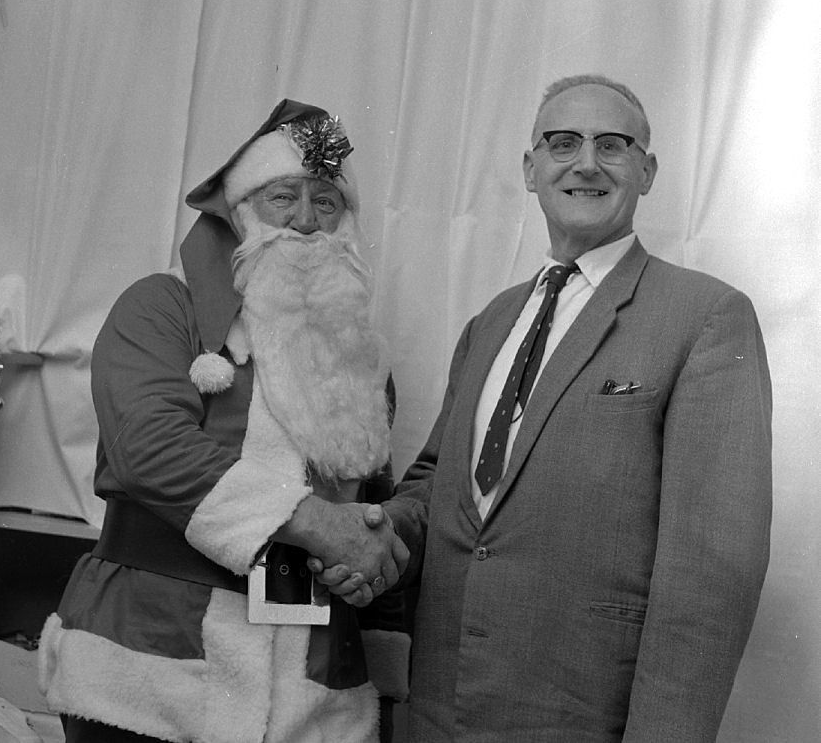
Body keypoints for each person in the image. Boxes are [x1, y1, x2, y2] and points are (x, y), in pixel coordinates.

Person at [319, 74, 772, 741]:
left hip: (585, 719)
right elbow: (438, 484)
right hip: (443, 714)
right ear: (530, 170)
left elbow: (710, 577)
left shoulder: (705, 317)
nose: (586, 162)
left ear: (646, 171)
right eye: (563, 143)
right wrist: (382, 533)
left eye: (611, 145)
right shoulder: (492, 322)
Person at [38, 99, 409, 743]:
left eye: (326, 202)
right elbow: (151, 450)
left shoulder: (363, 369)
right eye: (282, 197)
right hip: (149, 667)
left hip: (311, 693)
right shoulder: (160, 308)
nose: (304, 221)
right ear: (239, 215)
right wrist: (320, 525)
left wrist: (369, 554)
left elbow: (367, 519)